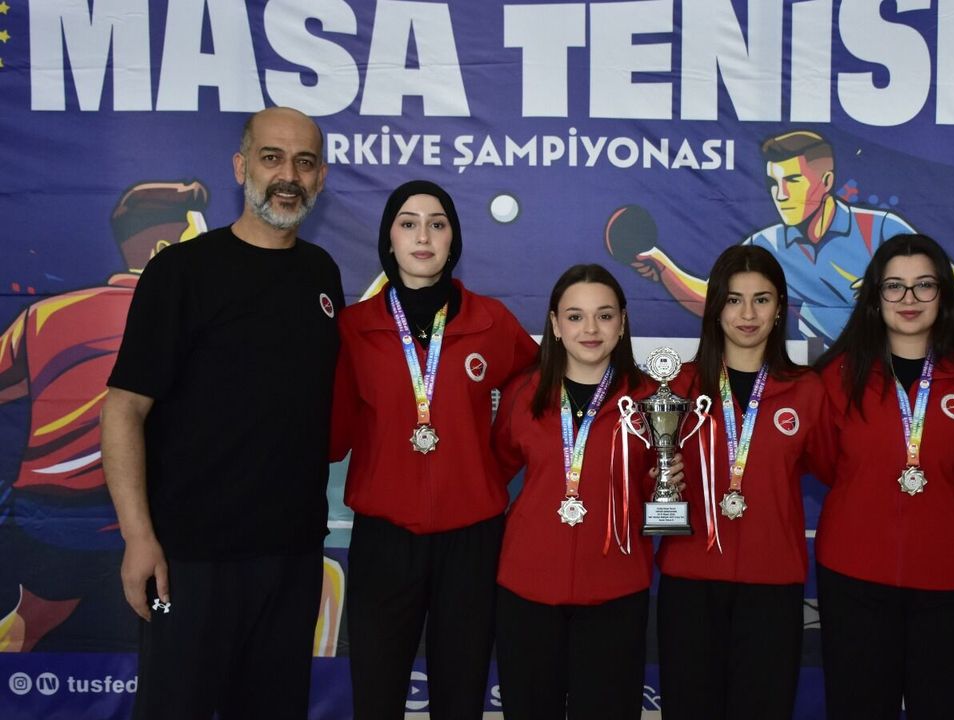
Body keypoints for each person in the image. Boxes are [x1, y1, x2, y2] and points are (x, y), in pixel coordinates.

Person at [101, 107, 341, 718]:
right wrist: (138, 537)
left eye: (304, 163)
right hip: (190, 560)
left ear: (320, 178)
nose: (288, 176)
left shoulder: (321, 274)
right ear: (241, 167)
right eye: (271, 158)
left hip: (290, 557)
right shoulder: (181, 271)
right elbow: (123, 408)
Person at [330, 180, 538, 719]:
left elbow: (538, 388)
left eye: (437, 224)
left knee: (461, 694)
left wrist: (493, 462)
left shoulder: (492, 322)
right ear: (389, 240)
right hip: (384, 538)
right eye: (408, 223)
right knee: (376, 693)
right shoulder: (353, 329)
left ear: (453, 240)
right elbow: (333, 435)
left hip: (471, 539)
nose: (423, 236)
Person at [0, 180, 208, 651]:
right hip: (135, 520)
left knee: (33, 620)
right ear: (161, 249)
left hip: (43, 521)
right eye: (198, 238)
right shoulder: (186, 318)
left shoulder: (43, 315)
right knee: (177, 628)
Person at [813, 233, 954, 719]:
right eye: (894, 286)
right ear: (875, 297)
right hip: (855, 579)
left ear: (943, 294)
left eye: (924, 285)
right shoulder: (836, 377)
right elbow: (826, 465)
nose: (909, 298)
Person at [655, 245, 828, 719]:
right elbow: (642, 476)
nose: (748, 314)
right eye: (734, 300)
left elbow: (833, 468)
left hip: (772, 584)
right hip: (690, 582)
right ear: (715, 308)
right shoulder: (678, 388)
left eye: (761, 299)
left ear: (780, 309)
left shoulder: (808, 391)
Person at [491, 264, 668, 720]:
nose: (590, 329)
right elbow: (492, 474)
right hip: (527, 592)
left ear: (623, 323)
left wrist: (663, 487)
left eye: (604, 315)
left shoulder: (653, 401)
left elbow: (659, 492)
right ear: (554, 324)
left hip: (615, 592)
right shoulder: (522, 394)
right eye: (575, 316)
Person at [622, 130, 954, 347]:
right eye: (774, 184)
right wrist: (663, 267)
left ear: (827, 182)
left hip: (885, 372)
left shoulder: (879, 230)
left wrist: (883, 288)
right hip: (820, 375)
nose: (781, 195)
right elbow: (712, 299)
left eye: (793, 181)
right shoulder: (764, 246)